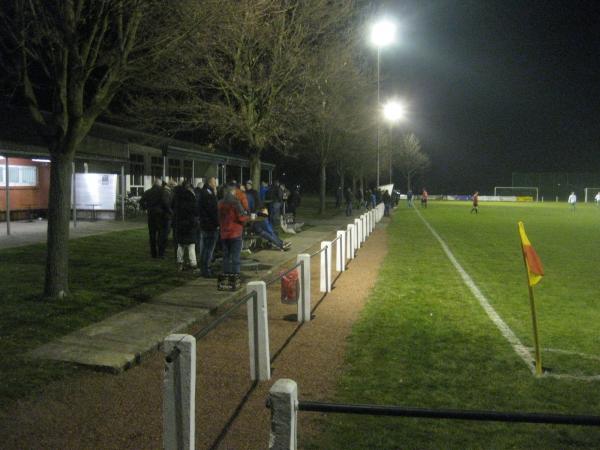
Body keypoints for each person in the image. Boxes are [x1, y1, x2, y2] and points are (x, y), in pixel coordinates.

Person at [218, 184, 249, 277]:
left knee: (226, 256)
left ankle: (226, 276)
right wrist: (247, 218)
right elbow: (241, 217)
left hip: (224, 233)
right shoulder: (235, 202)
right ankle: (236, 276)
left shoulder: (220, 203)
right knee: (235, 256)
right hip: (235, 232)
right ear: (233, 192)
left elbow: (218, 217)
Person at [173, 180, 200, 272]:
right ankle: (193, 264)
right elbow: (196, 210)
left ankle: (179, 263)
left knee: (180, 245)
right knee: (191, 245)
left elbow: (174, 209)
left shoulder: (178, 197)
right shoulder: (191, 197)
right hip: (190, 224)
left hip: (180, 223)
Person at [198, 176, 219, 278]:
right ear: (210, 183)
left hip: (204, 224)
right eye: (215, 182)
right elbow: (213, 211)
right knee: (209, 248)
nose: (216, 184)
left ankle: (203, 267)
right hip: (210, 225)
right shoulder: (209, 194)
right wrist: (218, 224)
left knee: (205, 248)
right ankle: (206, 269)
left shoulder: (203, 192)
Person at [139, 179, 165, 258]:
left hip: (151, 215)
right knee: (161, 235)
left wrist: (146, 208)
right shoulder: (162, 192)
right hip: (160, 215)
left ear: (153, 184)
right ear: (159, 184)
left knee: (152, 235)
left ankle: (153, 253)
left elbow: (141, 201)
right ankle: (161, 253)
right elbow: (165, 202)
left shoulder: (147, 192)